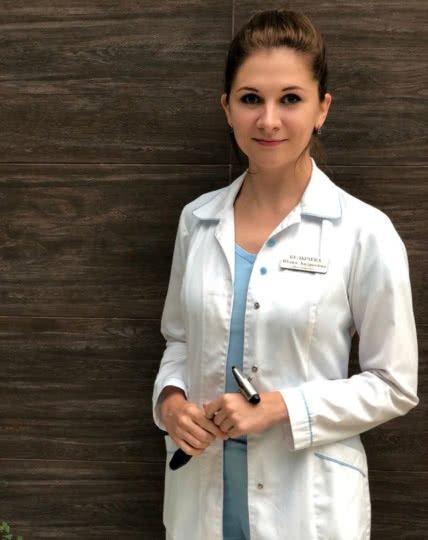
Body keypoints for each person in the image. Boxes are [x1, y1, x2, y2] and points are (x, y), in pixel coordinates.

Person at [151, 9, 419, 540]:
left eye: (290, 99)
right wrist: (171, 403)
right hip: (200, 498)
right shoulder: (197, 221)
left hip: (309, 506)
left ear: (322, 109)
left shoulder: (363, 231)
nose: (269, 120)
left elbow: (394, 384)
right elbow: (179, 339)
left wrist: (279, 407)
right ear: (227, 109)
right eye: (251, 98)